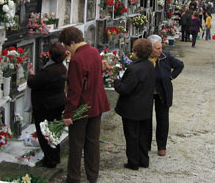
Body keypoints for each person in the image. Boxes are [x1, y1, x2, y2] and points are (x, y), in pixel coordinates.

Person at [59, 27, 110, 183]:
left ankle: (74, 178)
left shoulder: (77, 60)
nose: (67, 51)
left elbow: (75, 90)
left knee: (76, 144)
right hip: (97, 103)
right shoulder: (94, 52)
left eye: (67, 47)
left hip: (82, 107)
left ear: (73, 43)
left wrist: (68, 114)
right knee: (93, 142)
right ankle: (92, 176)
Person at [114, 38, 155, 170]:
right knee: (143, 135)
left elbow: (125, 89)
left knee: (132, 136)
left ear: (136, 52)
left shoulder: (134, 68)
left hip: (132, 108)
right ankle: (143, 160)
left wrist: (116, 81)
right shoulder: (150, 65)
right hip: (145, 106)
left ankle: (133, 162)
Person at [27, 42, 67, 168]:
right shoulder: (62, 68)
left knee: (44, 133)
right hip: (58, 104)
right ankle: (55, 156)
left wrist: (31, 74)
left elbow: (33, 83)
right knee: (53, 132)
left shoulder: (49, 71)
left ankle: (50, 160)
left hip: (45, 106)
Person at [147, 35, 184, 156]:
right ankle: (145, 144)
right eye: (157, 48)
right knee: (146, 119)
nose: (160, 50)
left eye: (160, 47)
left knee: (162, 119)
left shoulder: (165, 56)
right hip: (147, 92)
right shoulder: (145, 57)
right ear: (150, 48)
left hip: (162, 91)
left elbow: (180, 65)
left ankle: (161, 146)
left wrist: (170, 77)